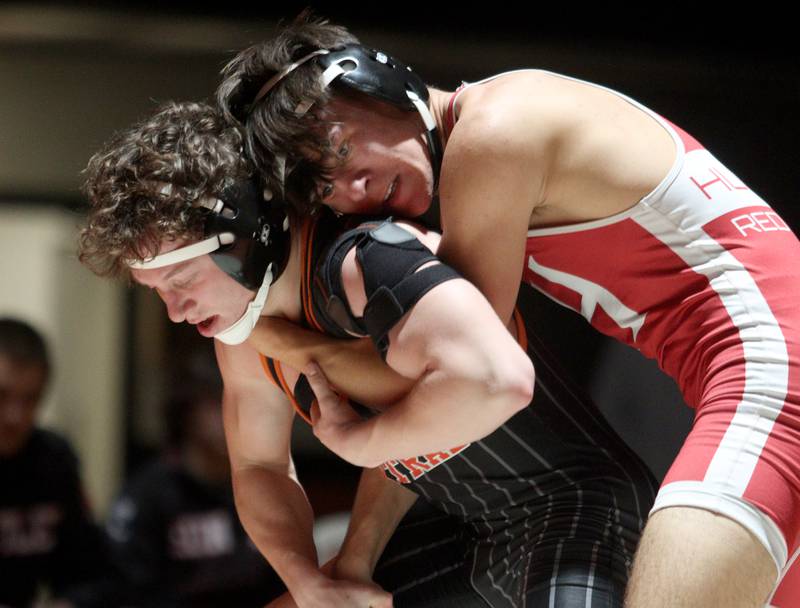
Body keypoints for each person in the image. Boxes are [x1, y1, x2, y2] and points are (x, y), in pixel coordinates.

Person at [216, 14, 800, 607]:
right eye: (323, 187)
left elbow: (461, 374)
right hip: (759, 367)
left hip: (773, 375)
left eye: (341, 147)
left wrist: (280, 344)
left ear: (382, 82)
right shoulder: (503, 119)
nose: (354, 188)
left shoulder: (492, 134)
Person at [78, 101, 657, 607]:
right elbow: (260, 466)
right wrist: (313, 580)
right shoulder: (244, 333)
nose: (177, 311)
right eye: (159, 293)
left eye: (181, 279)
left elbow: (492, 381)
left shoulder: (369, 259)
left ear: (242, 231)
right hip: (471, 526)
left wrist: (355, 440)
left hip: (576, 506)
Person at [105, 370, 285, 607]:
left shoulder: (266, 489)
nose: (233, 414)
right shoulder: (147, 496)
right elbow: (127, 586)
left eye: (243, 401)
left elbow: (278, 581)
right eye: (219, 402)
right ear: (188, 413)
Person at [0, 318, 112, 608]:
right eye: (2, 396)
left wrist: (68, 602)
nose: (15, 416)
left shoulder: (53, 459)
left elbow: (93, 574)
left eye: (31, 400)